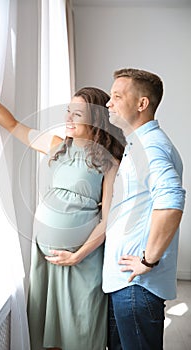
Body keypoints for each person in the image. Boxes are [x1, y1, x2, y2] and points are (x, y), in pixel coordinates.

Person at [0, 83, 126, 350]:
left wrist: (77, 255)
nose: (68, 118)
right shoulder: (56, 146)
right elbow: (15, 126)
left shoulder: (110, 162)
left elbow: (106, 221)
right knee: (49, 331)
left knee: (81, 331)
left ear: (96, 119)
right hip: (46, 259)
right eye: (68, 111)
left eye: (78, 113)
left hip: (82, 262)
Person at [103, 68, 186, 350]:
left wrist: (147, 261)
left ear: (142, 104)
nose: (108, 103)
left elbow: (172, 202)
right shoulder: (139, 144)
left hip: (136, 286)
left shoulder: (150, 146)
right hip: (128, 284)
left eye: (117, 96)